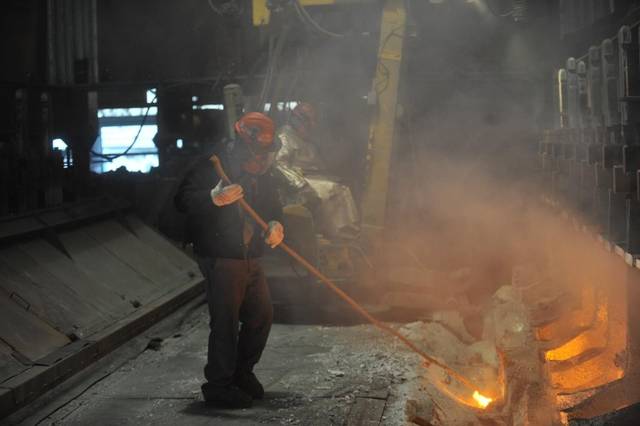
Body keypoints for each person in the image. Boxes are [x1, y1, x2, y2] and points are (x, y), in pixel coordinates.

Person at [174, 112, 284, 409]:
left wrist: (275, 222)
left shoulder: (262, 170)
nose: (262, 160)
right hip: (221, 255)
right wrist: (213, 197)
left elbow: (273, 203)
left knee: (261, 316)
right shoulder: (212, 162)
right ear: (245, 140)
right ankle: (219, 386)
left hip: (249, 254)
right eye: (258, 153)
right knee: (225, 322)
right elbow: (182, 198)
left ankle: (241, 373)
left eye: (266, 153)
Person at [275, 102, 359, 238]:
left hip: (313, 177)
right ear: (298, 120)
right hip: (298, 182)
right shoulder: (284, 136)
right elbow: (278, 164)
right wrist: (299, 183)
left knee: (344, 186)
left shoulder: (306, 139)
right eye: (310, 121)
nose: (313, 126)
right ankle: (338, 232)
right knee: (336, 190)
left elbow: (317, 163)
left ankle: (343, 231)